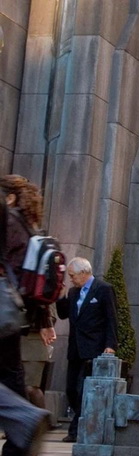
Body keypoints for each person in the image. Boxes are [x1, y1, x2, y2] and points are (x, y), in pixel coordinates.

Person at [0, 179, 51, 456]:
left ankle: (25, 418)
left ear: (9, 198)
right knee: (13, 378)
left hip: (3, 310)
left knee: (13, 381)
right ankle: (19, 440)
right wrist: (44, 323)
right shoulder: (30, 228)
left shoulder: (8, 221)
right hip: (12, 317)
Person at [56, 257, 117, 443]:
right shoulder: (73, 292)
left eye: (73, 276)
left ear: (84, 273)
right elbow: (63, 314)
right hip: (75, 348)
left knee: (84, 390)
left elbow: (111, 319)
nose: (71, 279)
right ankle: (81, 422)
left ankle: (76, 430)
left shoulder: (103, 289)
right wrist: (61, 296)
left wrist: (110, 345)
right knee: (71, 390)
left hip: (94, 348)